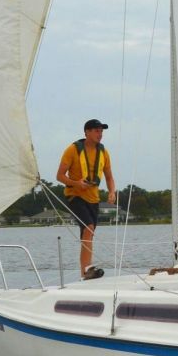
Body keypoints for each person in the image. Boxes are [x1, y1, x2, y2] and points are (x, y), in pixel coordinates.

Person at [56, 118, 116, 280]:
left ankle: (85, 271)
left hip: (93, 198)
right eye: (96, 131)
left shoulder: (103, 152)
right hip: (75, 195)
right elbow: (59, 176)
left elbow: (109, 177)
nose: (100, 134)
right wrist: (77, 183)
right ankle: (87, 269)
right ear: (87, 132)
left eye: (101, 131)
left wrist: (112, 192)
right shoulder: (72, 150)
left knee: (88, 233)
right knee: (88, 228)